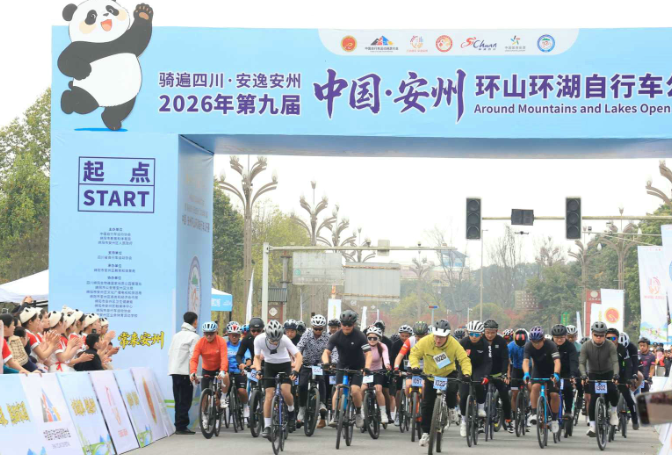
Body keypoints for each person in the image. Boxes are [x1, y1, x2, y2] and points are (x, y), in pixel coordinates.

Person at [410, 319, 471, 447]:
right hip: (431, 376)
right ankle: (426, 432)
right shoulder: (425, 341)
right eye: (436, 337)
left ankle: (451, 408)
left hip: (448, 374)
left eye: (442, 338)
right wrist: (415, 366)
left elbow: (464, 359)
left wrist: (466, 374)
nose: (438, 340)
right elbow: (414, 354)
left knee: (452, 392)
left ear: (447, 336)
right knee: (427, 404)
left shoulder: (454, 344)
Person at [252, 319, 303, 438]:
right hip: (269, 365)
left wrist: (296, 370)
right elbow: (257, 358)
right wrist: (258, 370)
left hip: (284, 364)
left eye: (277, 340)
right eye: (272, 340)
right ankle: (267, 426)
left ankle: (291, 410)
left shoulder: (285, 339)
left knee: (285, 391)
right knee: (269, 395)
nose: (275, 342)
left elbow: (298, 356)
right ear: (266, 335)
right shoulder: (259, 339)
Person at [322, 310, 372, 429]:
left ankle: (358, 413)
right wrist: (326, 363)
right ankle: (335, 415)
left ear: (354, 324)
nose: (346, 327)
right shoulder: (336, 336)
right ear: (341, 324)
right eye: (344, 324)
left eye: (349, 325)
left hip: (357, 366)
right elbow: (326, 352)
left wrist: (367, 367)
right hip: (342, 365)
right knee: (339, 388)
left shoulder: (360, 336)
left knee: (355, 390)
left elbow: (368, 353)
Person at [580, 321, 620, 437]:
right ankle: (593, 426)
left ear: (605, 335)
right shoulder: (586, 346)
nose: (598, 337)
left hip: (608, 372)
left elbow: (615, 362)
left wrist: (616, 374)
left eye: (601, 335)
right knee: (593, 398)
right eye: (596, 335)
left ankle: (613, 412)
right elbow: (582, 363)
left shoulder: (610, 345)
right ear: (592, 334)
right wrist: (584, 375)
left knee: (612, 391)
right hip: (593, 374)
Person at [523, 326, 561, 434]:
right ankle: (534, 413)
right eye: (533, 342)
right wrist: (526, 373)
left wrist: (556, 374)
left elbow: (557, 362)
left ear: (543, 339)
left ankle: (554, 419)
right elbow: (526, 361)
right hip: (538, 370)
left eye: (538, 342)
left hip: (552, 371)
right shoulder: (528, 346)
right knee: (535, 387)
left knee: (554, 395)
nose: (536, 344)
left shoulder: (551, 345)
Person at [167, 311, 200, 435]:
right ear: (195, 321)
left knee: (178, 399)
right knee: (185, 399)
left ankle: (179, 425)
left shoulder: (176, 335)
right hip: (185, 372)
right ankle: (181, 426)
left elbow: (170, 352)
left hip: (174, 371)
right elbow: (193, 356)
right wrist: (194, 373)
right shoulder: (194, 337)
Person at [296, 314, 329, 428]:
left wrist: (332, 362)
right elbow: (299, 347)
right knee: (302, 384)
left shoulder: (327, 337)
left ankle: (322, 403)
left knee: (321, 380)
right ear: (312, 327)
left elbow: (332, 350)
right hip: (306, 363)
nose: (318, 331)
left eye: (320, 329)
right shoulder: (307, 334)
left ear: (323, 328)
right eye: (316, 328)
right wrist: (297, 358)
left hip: (319, 364)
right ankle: (301, 408)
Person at [459, 320, 491, 437]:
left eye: (476, 334)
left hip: (479, 367)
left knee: (479, 383)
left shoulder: (485, 344)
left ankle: (481, 407)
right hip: (464, 367)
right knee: (463, 395)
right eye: (471, 334)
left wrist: (486, 375)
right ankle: (463, 421)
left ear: (481, 334)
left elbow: (488, 362)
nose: (473, 337)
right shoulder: (463, 342)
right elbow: (457, 358)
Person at [189, 321, 229, 412]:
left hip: (219, 368)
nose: (209, 336)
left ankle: (223, 398)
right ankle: (204, 415)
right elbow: (194, 359)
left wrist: (223, 371)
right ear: (203, 333)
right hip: (206, 369)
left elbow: (224, 357)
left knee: (226, 376)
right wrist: (193, 372)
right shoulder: (200, 343)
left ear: (216, 332)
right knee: (204, 397)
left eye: (211, 333)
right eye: (206, 333)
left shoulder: (221, 341)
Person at [483, 319, 513, 432]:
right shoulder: (481, 340)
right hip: (484, 373)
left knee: (505, 396)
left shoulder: (501, 342)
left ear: (496, 331)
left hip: (498, 373)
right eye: (487, 332)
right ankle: (479, 419)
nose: (490, 335)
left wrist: (504, 374)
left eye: (492, 332)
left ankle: (508, 420)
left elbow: (505, 359)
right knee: (479, 394)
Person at [608, 328, 639, 430]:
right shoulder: (605, 347)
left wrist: (630, 378)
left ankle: (634, 418)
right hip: (610, 373)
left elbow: (631, 364)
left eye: (613, 339)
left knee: (627, 395)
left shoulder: (627, 349)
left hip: (623, 372)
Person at [550, 324, 579, 430]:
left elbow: (574, 362)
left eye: (562, 337)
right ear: (553, 337)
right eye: (557, 337)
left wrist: (572, 375)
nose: (559, 340)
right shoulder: (549, 345)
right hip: (552, 372)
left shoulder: (570, 346)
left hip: (566, 373)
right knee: (550, 391)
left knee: (567, 387)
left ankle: (568, 411)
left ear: (566, 336)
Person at [361, 325, 391, 424]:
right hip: (366, 371)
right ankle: (361, 409)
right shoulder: (364, 346)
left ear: (379, 338)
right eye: (370, 338)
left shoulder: (382, 346)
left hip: (378, 371)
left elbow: (385, 357)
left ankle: (383, 413)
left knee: (378, 389)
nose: (372, 340)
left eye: (375, 338)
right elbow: (359, 358)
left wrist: (387, 365)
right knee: (362, 388)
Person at [224, 321, 251, 418]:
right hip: (227, 373)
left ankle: (245, 406)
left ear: (239, 335)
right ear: (228, 335)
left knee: (242, 391)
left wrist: (246, 366)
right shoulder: (225, 345)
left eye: (236, 335)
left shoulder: (243, 345)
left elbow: (248, 359)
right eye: (232, 335)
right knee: (222, 394)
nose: (234, 337)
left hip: (240, 372)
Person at [390, 323, 414, 426]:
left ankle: (413, 410)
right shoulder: (396, 344)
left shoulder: (413, 343)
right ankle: (398, 412)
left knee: (413, 390)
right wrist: (395, 370)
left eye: (406, 336)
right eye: (402, 335)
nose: (404, 338)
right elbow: (393, 358)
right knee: (399, 392)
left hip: (412, 370)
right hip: (400, 371)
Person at [373, 319, 395, 422]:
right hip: (370, 369)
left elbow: (389, 357)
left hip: (383, 369)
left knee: (385, 390)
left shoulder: (387, 342)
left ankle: (387, 412)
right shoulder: (368, 341)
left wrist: (388, 367)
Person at [508, 328, 528, 427]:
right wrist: (508, 375)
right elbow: (507, 361)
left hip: (527, 369)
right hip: (516, 370)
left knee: (531, 388)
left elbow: (534, 359)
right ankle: (514, 415)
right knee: (514, 393)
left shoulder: (529, 344)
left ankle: (529, 409)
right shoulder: (511, 346)